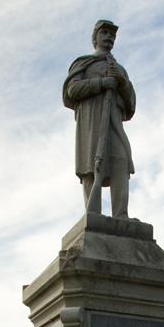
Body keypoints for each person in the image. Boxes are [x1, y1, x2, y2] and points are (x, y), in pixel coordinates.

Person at [63, 20, 135, 218]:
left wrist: (121, 83)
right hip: (91, 122)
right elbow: (72, 90)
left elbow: (131, 104)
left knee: (121, 160)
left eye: (112, 34)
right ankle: (92, 213)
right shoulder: (83, 63)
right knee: (91, 166)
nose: (109, 37)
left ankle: (121, 215)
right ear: (95, 38)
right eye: (104, 33)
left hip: (114, 123)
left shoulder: (120, 69)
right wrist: (101, 82)